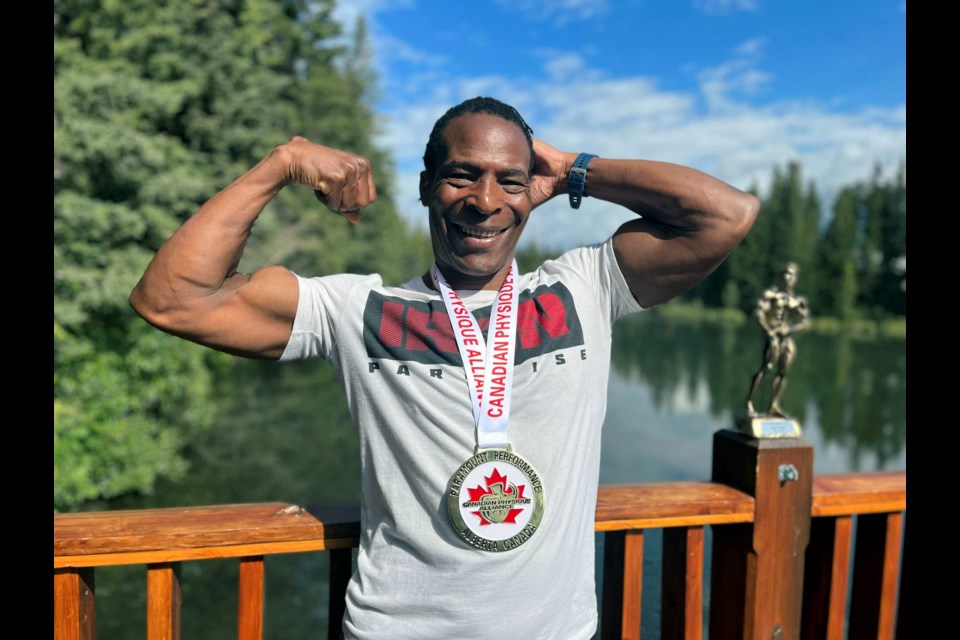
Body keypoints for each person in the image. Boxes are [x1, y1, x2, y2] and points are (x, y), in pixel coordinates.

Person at [130, 96, 759, 639]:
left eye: (509, 181)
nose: (485, 201)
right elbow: (172, 298)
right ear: (428, 186)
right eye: (462, 176)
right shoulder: (361, 310)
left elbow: (726, 214)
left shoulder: (582, 289)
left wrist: (571, 169)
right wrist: (279, 165)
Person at [745, 262, 811, 418]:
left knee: (782, 372)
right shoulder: (772, 296)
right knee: (766, 367)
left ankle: (774, 405)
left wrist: (790, 329)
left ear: (796, 279)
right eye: (787, 273)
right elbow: (758, 313)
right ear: (781, 276)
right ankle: (749, 402)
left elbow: (805, 322)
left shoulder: (797, 301)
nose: (789, 277)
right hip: (773, 336)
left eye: (793, 275)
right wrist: (768, 331)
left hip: (786, 338)